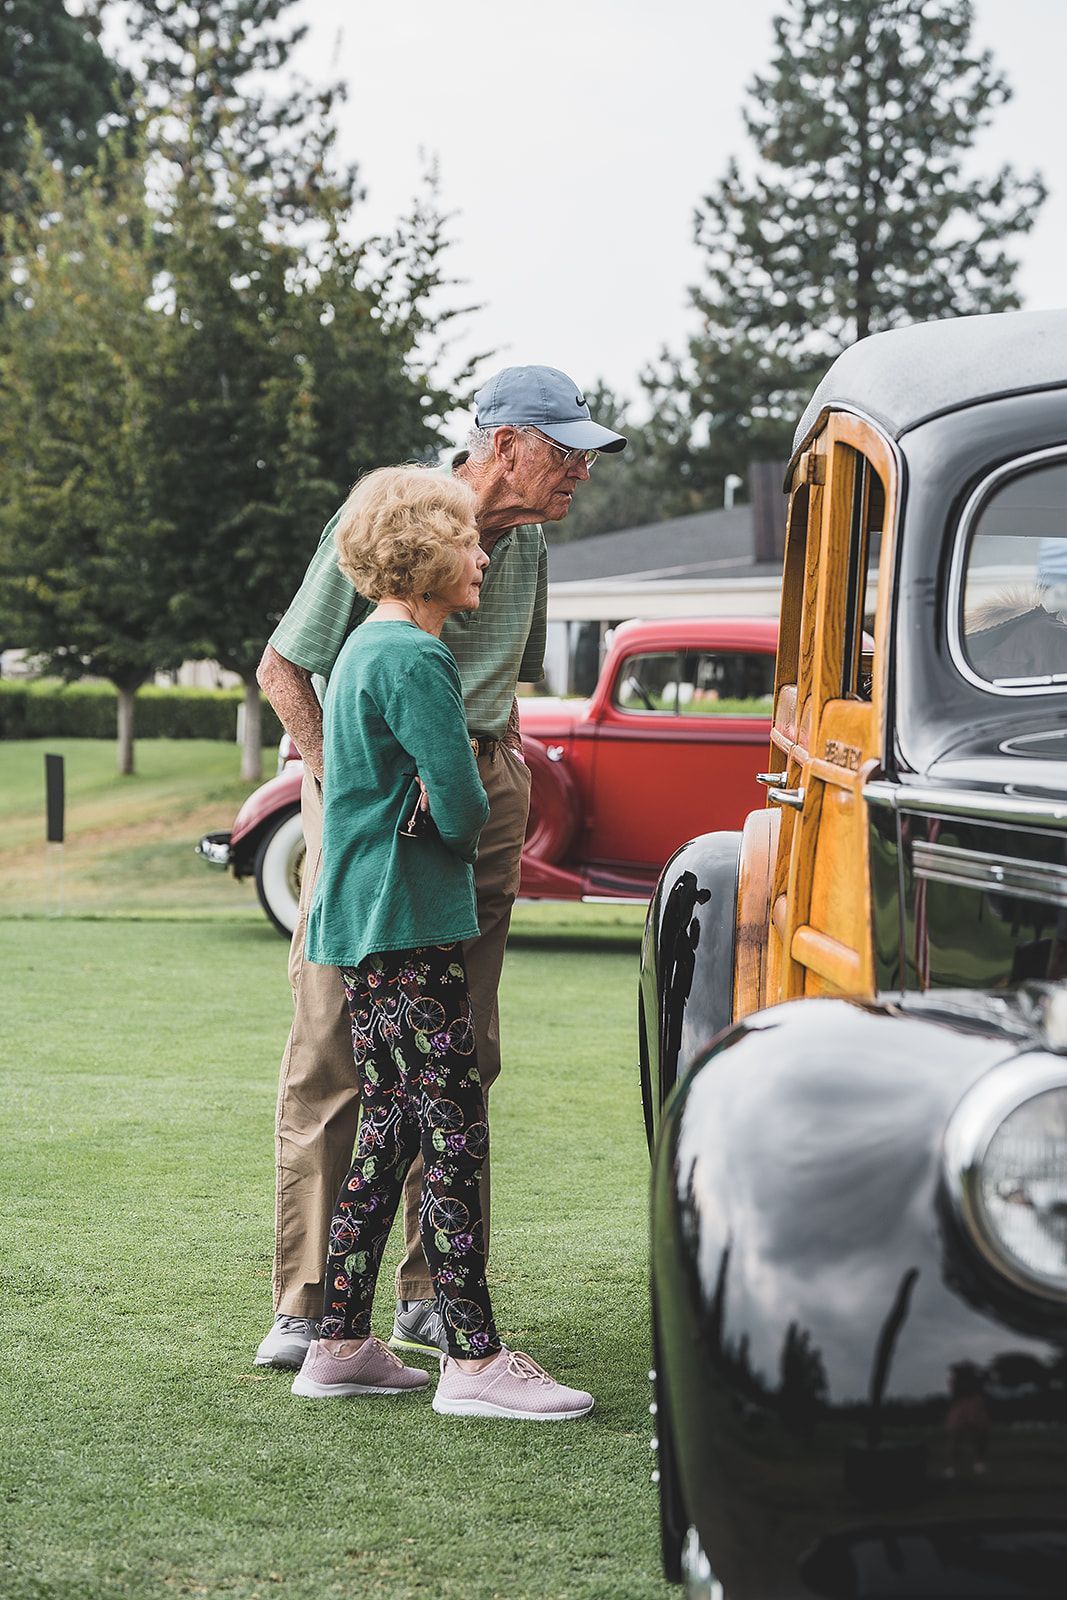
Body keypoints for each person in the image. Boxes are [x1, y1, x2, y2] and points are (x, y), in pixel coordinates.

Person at [255, 367, 626, 1369]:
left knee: (464, 1047)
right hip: (373, 799)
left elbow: (507, 682)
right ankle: (309, 1304)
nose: (579, 471)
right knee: (338, 1043)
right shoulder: (390, 517)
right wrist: (344, 784)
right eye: (563, 450)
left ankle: (427, 1294)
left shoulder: (532, 545)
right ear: (502, 442)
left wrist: (473, 782)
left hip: (479, 783)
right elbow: (283, 667)